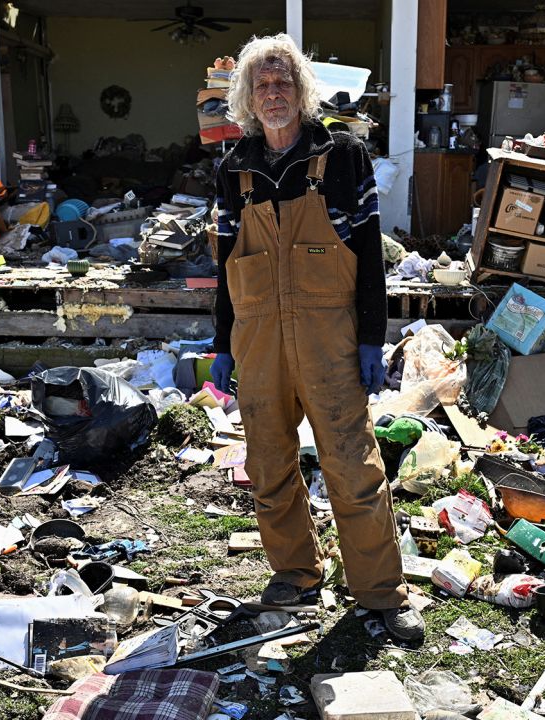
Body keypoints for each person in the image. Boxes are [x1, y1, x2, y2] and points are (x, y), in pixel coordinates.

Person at [209, 34, 423, 642]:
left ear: (301, 90)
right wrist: (222, 343)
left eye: (282, 82)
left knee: (351, 464)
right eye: (261, 85)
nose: (272, 94)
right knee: (269, 463)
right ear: (247, 98)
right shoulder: (234, 169)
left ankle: (381, 592)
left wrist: (371, 338)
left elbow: (369, 257)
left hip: (330, 336)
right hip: (258, 339)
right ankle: (297, 573)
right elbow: (227, 262)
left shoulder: (343, 155)